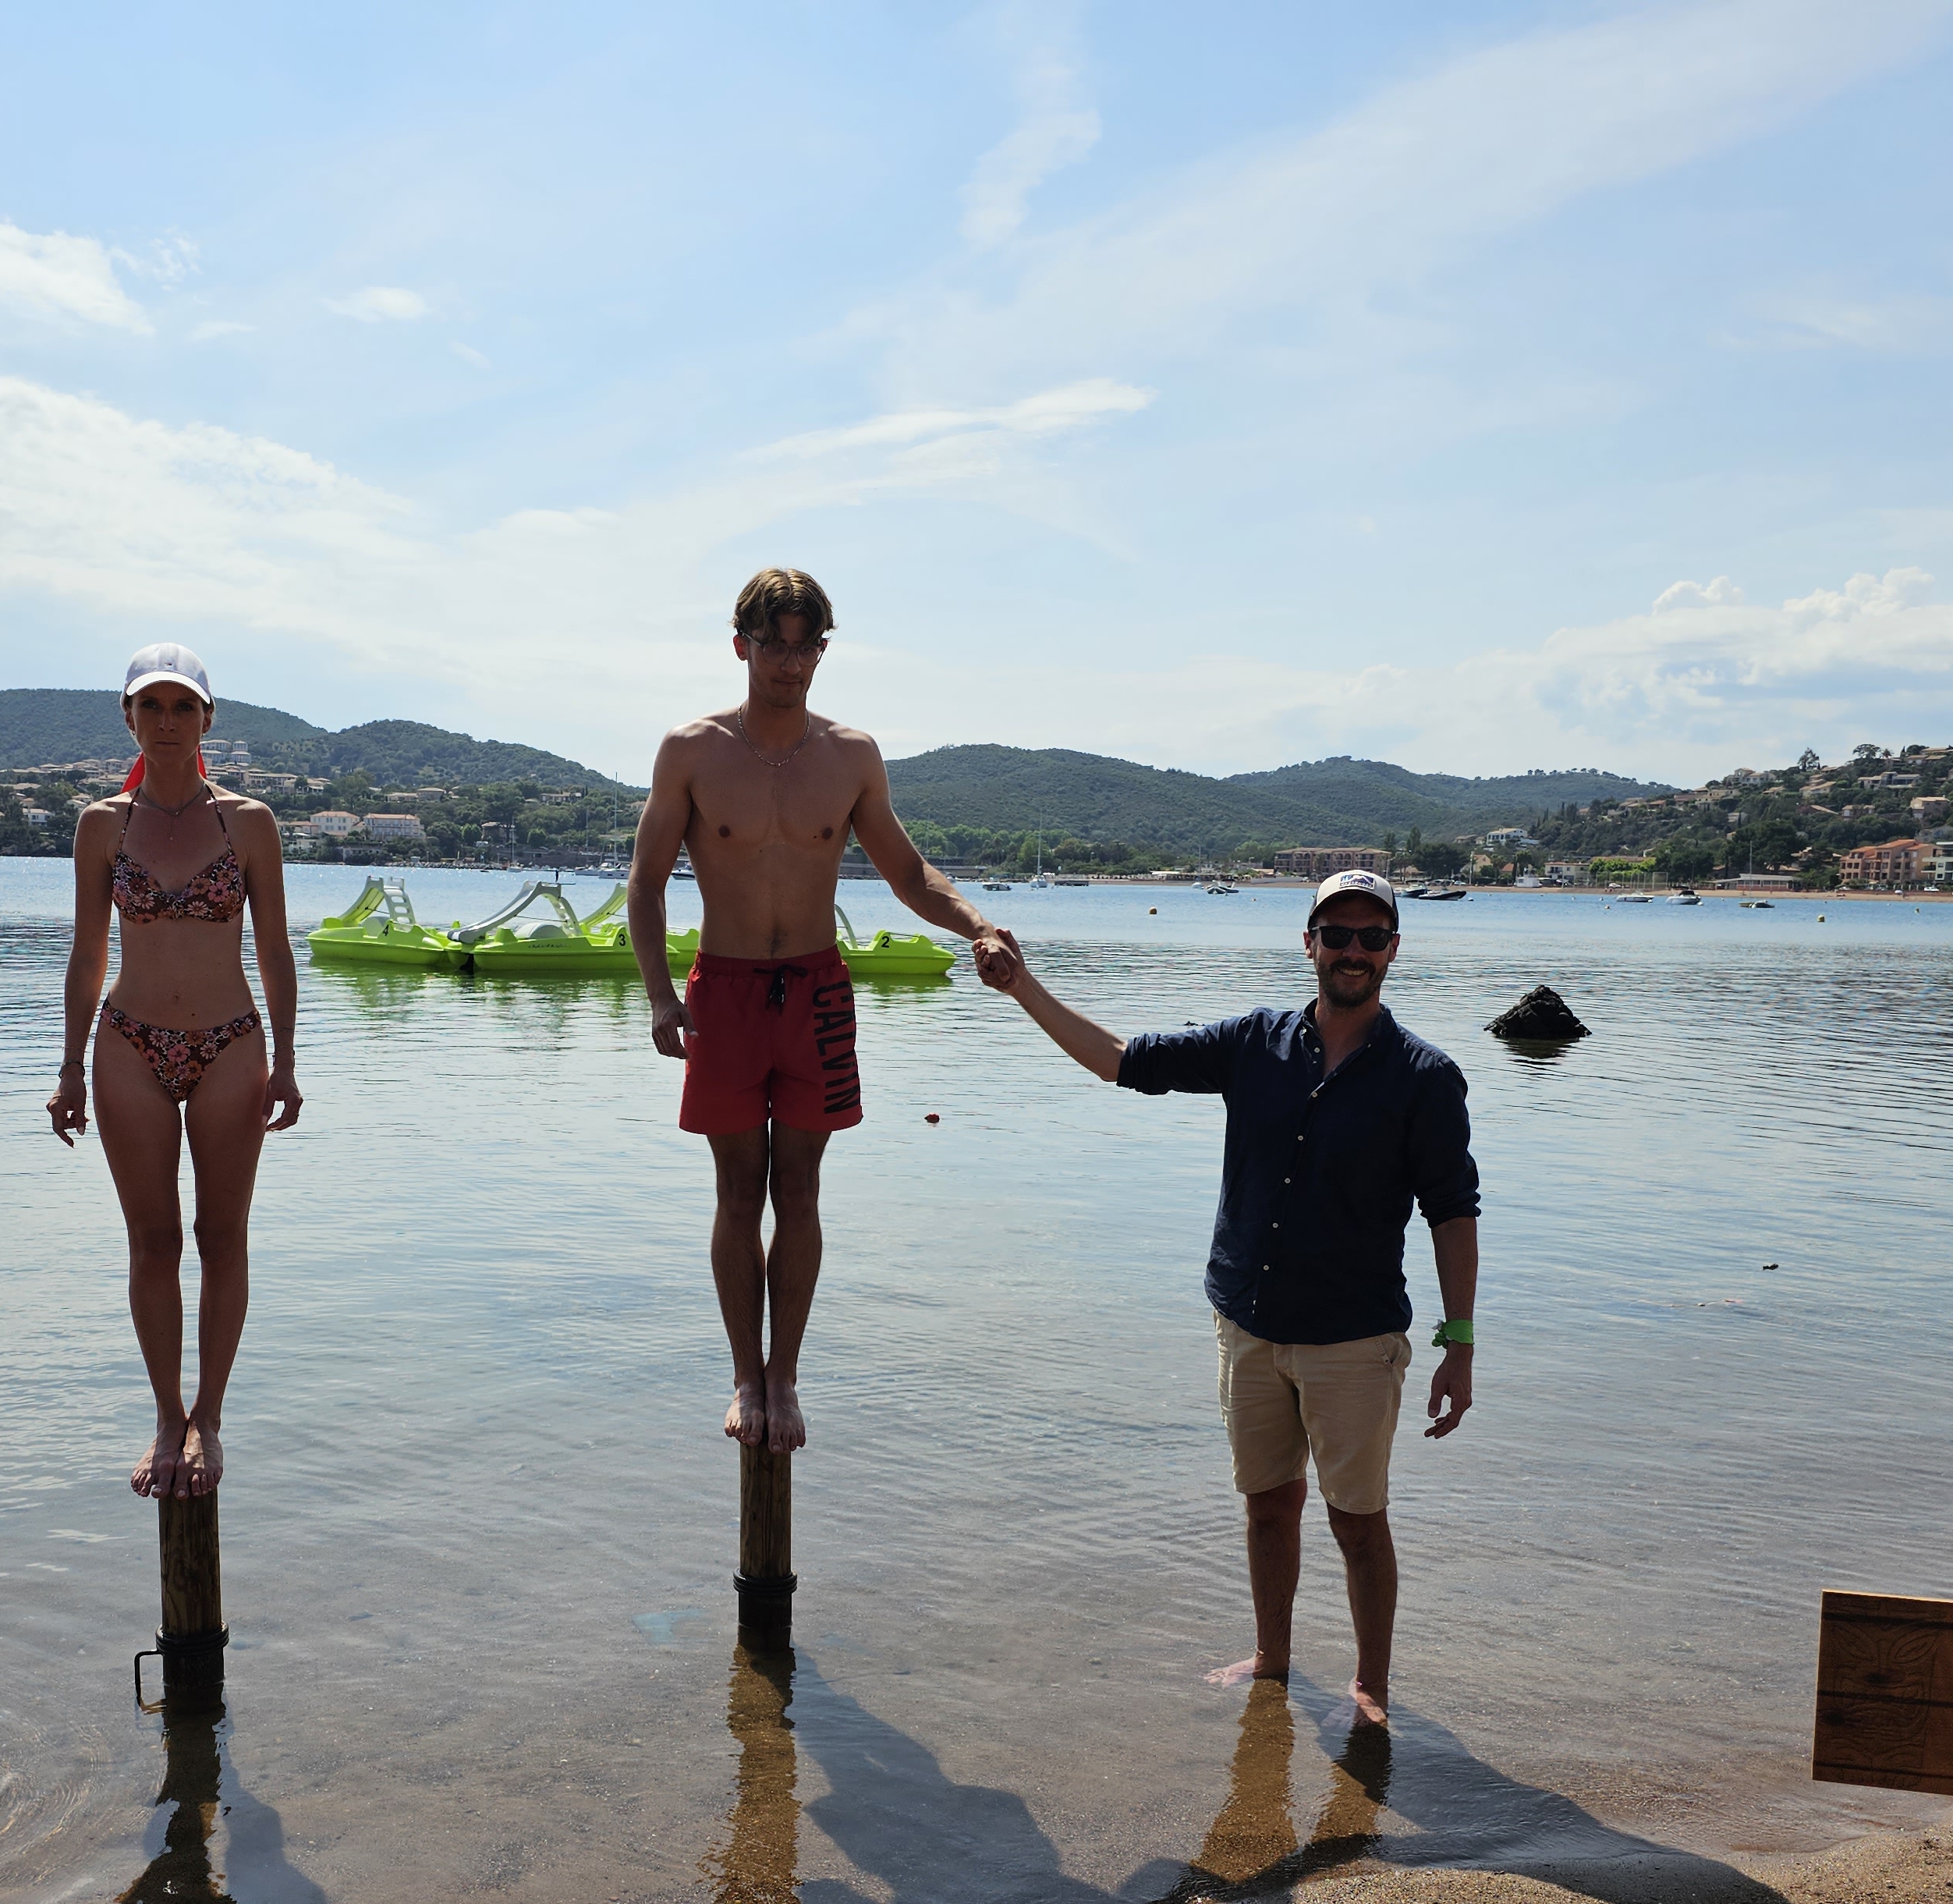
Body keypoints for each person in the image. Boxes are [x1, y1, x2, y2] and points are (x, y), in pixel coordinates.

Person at [983, 868, 1477, 1724]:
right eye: (1336, 935)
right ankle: (1274, 1660)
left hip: (1354, 1340)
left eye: (1370, 936)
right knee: (1266, 1506)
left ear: (1394, 949)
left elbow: (1452, 1211)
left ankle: (1371, 1686)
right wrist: (1022, 984)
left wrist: (1459, 1342)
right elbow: (1118, 1060)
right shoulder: (1254, 1042)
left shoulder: (1424, 1077)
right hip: (1247, 1323)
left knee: (1357, 1520)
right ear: (1309, 943)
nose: (1351, 951)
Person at [627, 569, 1017, 1451]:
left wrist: (976, 926)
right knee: (737, 1189)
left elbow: (909, 873)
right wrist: (658, 993)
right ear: (742, 646)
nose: (789, 662)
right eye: (774, 644)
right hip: (721, 991)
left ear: (822, 652)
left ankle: (786, 1379)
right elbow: (646, 885)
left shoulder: (850, 755)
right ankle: (743, 1375)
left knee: (799, 1187)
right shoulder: (689, 749)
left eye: (806, 645)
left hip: (815, 991)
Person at [49, 645, 304, 1499]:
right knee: (153, 1242)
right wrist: (69, 1068)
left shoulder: (250, 822)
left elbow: (273, 948)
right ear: (128, 717)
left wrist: (289, 1059)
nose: (166, 721)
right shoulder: (100, 825)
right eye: (150, 706)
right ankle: (167, 1414)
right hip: (128, 1043)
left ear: (207, 720)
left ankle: (212, 1418)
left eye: (182, 706)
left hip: (231, 1043)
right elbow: (88, 952)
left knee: (220, 1238)